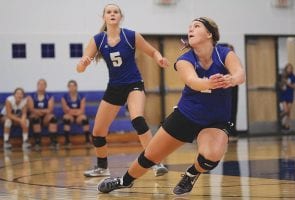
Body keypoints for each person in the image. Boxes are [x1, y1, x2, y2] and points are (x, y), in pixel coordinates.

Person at [98, 17, 245, 195]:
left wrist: (231, 79)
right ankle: (124, 181)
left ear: (209, 34)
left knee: (211, 156)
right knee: (150, 156)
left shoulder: (224, 53)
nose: (190, 29)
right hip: (186, 116)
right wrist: (209, 83)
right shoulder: (185, 59)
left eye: (196, 26)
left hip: (215, 121)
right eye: (189, 27)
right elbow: (192, 81)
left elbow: (240, 74)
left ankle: (191, 174)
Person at [76, 3, 169, 177]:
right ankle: (102, 168)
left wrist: (160, 59)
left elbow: (153, 51)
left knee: (137, 119)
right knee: (98, 132)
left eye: (115, 12)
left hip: (134, 84)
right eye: (108, 12)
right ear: (104, 17)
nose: (112, 14)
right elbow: (80, 67)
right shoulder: (98, 39)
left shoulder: (131, 35)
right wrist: (83, 64)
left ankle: (155, 163)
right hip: (114, 87)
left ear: (120, 16)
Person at [27, 79, 59, 150]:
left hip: (45, 117)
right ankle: (37, 142)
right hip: (35, 116)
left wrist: (40, 111)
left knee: (53, 118)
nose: (41, 86)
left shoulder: (49, 96)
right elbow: (31, 109)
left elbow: (50, 109)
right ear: (37, 85)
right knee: (35, 118)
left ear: (46, 86)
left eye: (43, 84)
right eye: (40, 84)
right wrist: (41, 111)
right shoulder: (31, 96)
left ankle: (53, 141)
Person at [61, 80, 91, 147]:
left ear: (76, 87)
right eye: (70, 86)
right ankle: (67, 141)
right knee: (66, 118)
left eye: (73, 86)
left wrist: (72, 111)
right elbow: (65, 110)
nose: (72, 87)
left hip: (78, 116)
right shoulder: (64, 97)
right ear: (68, 87)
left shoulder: (81, 96)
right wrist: (75, 111)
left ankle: (87, 141)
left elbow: (82, 110)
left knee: (85, 119)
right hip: (70, 116)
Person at [279, 63, 295, 130]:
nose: (289, 69)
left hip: (290, 95)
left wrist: (288, 84)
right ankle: (279, 117)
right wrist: (282, 84)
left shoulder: (293, 77)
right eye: (288, 68)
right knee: (286, 110)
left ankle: (286, 125)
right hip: (284, 95)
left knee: (288, 112)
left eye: (291, 68)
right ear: (286, 69)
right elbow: (280, 86)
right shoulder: (283, 76)